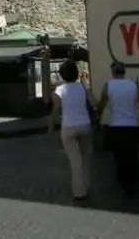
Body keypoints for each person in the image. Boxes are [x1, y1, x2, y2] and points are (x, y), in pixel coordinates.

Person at [95, 60, 139, 195]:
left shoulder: (108, 86)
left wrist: (97, 119)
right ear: (124, 71)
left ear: (113, 72)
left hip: (117, 126)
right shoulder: (134, 86)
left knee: (119, 157)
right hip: (132, 126)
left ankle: (123, 183)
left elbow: (101, 105)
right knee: (132, 155)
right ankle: (133, 182)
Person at [48, 59, 96, 202]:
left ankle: (79, 192)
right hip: (85, 125)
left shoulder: (60, 90)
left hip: (68, 127)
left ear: (62, 76)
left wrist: (51, 126)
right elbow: (93, 103)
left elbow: (55, 109)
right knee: (86, 159)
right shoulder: (83, 87)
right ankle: (85, 186)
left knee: (75, 162)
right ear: (76, 74)